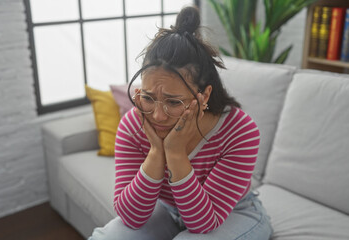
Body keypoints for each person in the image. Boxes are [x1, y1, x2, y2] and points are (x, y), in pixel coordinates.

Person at [89, 6, 273, 240]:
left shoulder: (240, 131)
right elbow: (131, 217)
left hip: (234, 213)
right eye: (148, 97)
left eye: (173, 102)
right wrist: (157, 151)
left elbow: (203, 224)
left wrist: (175, 152)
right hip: (169, 209)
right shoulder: (133, 124)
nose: (157, 116)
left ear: (204, 96)